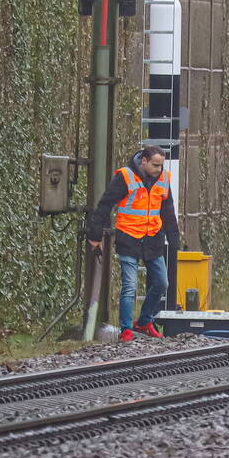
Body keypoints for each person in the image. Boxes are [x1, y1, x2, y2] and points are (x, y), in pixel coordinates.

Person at [87, 145, 180, 342]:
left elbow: (168, 210)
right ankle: (126, 330)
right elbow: (105, 205)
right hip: (128, 239)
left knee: (162, 283)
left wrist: (174, 238)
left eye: (161, 165)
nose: (159, 169)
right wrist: (95, 235)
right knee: (130, 286)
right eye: (155, 165)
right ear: (144, 161)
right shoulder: (125, 177)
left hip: (153, 239)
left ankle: (144, 321)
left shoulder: (163, 179)